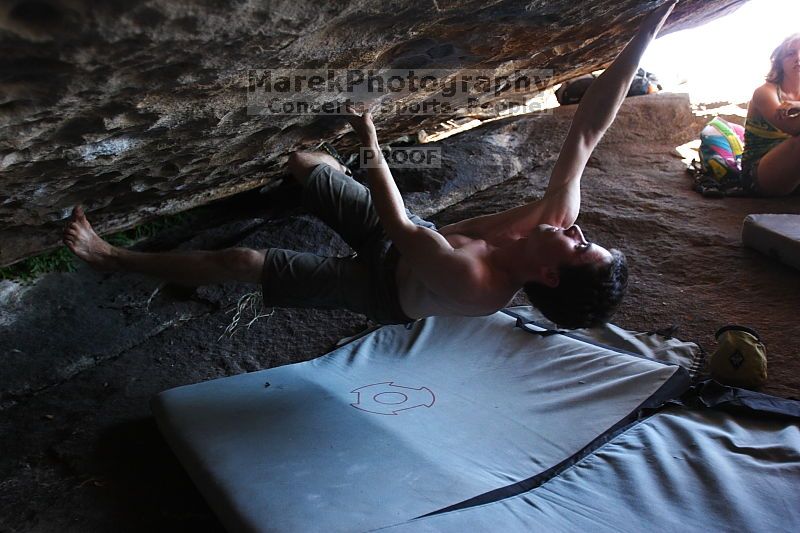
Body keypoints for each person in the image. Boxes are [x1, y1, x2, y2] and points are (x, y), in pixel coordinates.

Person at [63, 2, 677, 330]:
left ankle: (113, 259)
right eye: (585, 238)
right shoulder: (555, 218)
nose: (576, 230)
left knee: (241, 263)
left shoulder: (477, 285)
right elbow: (589, 127)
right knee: (305, 163)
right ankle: (303, 187)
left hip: (385, 284)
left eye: (577, 248)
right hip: (401, 239)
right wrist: (654, 23)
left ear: (547, 276)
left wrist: (369, 132)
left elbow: (406, 230)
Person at [741, 33, 800, 196]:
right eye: (791, 53)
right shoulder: (765, 93)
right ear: (780, 62)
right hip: (761, 174)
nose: (798, 57)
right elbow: (793, 127)